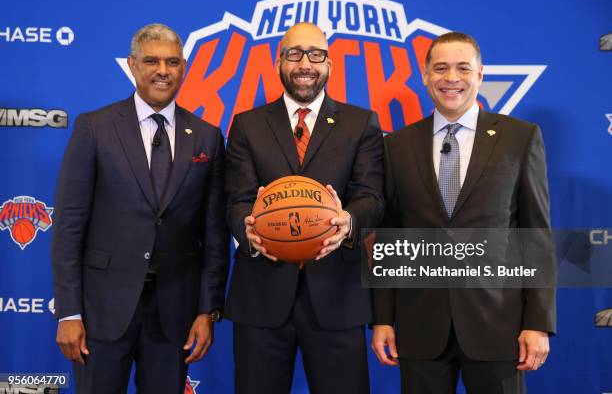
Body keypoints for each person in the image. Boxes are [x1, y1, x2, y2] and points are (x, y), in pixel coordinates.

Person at [371, 32, 556, 394]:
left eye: (462, 68)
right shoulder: (396, 145)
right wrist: (382, 318)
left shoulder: (520, 138)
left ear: (480, 74)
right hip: (419, 323)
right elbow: (387, 240)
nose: (451, 78)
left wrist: (538, 322)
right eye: (440, 68)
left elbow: (536, 235)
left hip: (498, 324)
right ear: (425, 75)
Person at [51, 23, 229, 393]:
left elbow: (214, 233)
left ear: (183, 67)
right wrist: (69, 312)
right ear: (133, 65)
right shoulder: (95, 128)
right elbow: (69, 226)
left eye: (172, 62)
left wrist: (206, 310)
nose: (162, 71)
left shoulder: (208, 136)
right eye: (151, 61)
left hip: (175, 313)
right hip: (102, 310)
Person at [224, 22, 384, 394]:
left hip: (337, 296)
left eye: (316, 54)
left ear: (329, 64)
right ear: (279, 62)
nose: (305, 63)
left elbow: (372, 197)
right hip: (261, 295)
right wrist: (246, 229)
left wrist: (348, 222)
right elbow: (236, 199)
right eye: (294, 54)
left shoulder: (360, 123)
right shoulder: (247, 125)